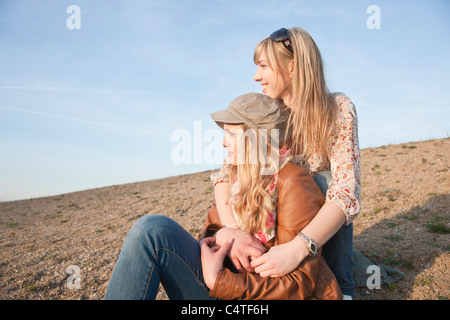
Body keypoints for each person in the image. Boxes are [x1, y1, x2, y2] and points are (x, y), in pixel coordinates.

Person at [105, 92, 342, 300]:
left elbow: (300, 283)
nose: (222, 142)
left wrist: (218, 281)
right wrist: (225, 234)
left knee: (151, 229)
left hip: (245, 292)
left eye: (231, 133)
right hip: (222, 287)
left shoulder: (293, 182)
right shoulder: (236, 178)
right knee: (152, 230)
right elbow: (207, 234)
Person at [211, 28, 360, 299]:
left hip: (311, 234)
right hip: (278, 228)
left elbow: (346, 193)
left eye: (263, 66)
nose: (256, 76)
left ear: (292, 66)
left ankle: (342, 285)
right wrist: (234, 232)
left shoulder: (337, 108)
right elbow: (224, 178)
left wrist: (298, 249)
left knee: (322, 182)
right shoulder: (268, 113)